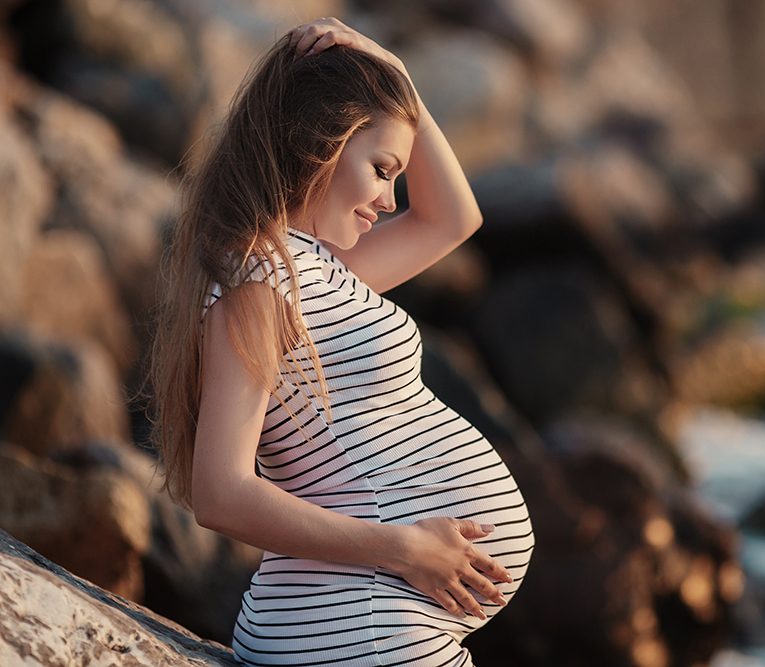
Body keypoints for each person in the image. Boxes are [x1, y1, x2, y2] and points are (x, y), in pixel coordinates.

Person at [147, 17, 535, 667]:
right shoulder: (259, 280)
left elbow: (452, 218)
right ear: (318, 142)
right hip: (358, 626)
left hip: (371, 623)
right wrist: (405, 548)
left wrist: (395, 76)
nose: (389, 199)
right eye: (381, 169)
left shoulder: (315, 271)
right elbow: (221, 491)